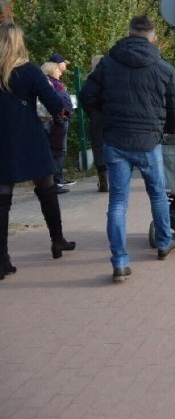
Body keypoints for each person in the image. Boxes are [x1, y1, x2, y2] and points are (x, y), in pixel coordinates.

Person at [80, 15, 175, 282]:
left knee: (117, 203)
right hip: (149, 141)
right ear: (153, 37)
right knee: (158, 195)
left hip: (115, 141)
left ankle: (120, 261)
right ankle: (163, 243)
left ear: (128, 32)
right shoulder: (163, 67)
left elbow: (87, 96)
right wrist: (168, 129)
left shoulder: (108, 63)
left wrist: (105, 120)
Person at [1, 22, 77, 276]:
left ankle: (2, 258)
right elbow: (55, 104)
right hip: (30, 137)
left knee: (2, 198)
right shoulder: (30, 71)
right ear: (20, 42)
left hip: (2, 139)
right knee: (46, 188)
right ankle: (57, 239)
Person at [42, 60, 76, 191]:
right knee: (55, 150)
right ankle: (53, 181)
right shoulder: (49, 83)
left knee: (60, 149)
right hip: (53, 119)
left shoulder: (56, 83)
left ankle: (58, 178)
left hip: (61, 118)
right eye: (57, 70)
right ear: (51, 70)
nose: (60, 72)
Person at [87, 55, 109, 193]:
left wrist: (92, 111)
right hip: (113, 115)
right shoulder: (114, 76)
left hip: (96, 115)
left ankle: (103, 180)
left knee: (98, 146)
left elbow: (85, 96)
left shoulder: (91, 79)